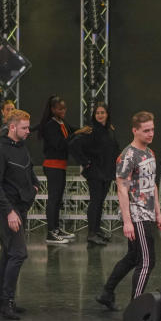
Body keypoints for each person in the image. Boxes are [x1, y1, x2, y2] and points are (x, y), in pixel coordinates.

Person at [96, 111, 161, 311]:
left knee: (133, 257)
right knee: (146, 261)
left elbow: (152, 185)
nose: (150, 134)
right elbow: (122, 188)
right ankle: (136, 307)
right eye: (146, 131)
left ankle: (107, 292)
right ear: (135, 130)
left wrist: (158, 213)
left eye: (152, 130)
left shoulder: (149, 153)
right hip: (137, 214)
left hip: (147, 213)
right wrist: (128, 221)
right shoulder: (128, 156)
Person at [0, 109, 38, 320]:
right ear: (12, 127)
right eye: (24, 128)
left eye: (28, 127)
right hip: (8, 208)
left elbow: (29, 168)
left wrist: (35, 185)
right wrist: (9, 211)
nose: (28, 131)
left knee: (9, 253)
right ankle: (7, 301)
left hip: (21, 206)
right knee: (19, 253)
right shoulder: (0, 151)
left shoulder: (21, 146)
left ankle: (2, 302)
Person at [36, 95, 89, 244]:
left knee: (58, 199)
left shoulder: (61, 122)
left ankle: (56, 229)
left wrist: (83, 130)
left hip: (60, 166)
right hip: (52, 166)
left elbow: (73, 131)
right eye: (60, 108)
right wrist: (77, 134)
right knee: (53, 199)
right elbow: (59, 144)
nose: (63, 111)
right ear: (53, 109)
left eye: (64, 108)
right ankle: (51, 233)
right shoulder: (50, 125)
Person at [69, 102, 119, 246]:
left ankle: (97, 231)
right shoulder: (91, 130)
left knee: (100, 202)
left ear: (107, 114)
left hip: (107, 172)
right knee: (95, 202)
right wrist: (85, 162)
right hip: (95, 172)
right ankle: (92, 233)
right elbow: (73, 145)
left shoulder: (109, 130)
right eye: (97, 113)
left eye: (102, 112)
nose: (100, 115)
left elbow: (113, 148)